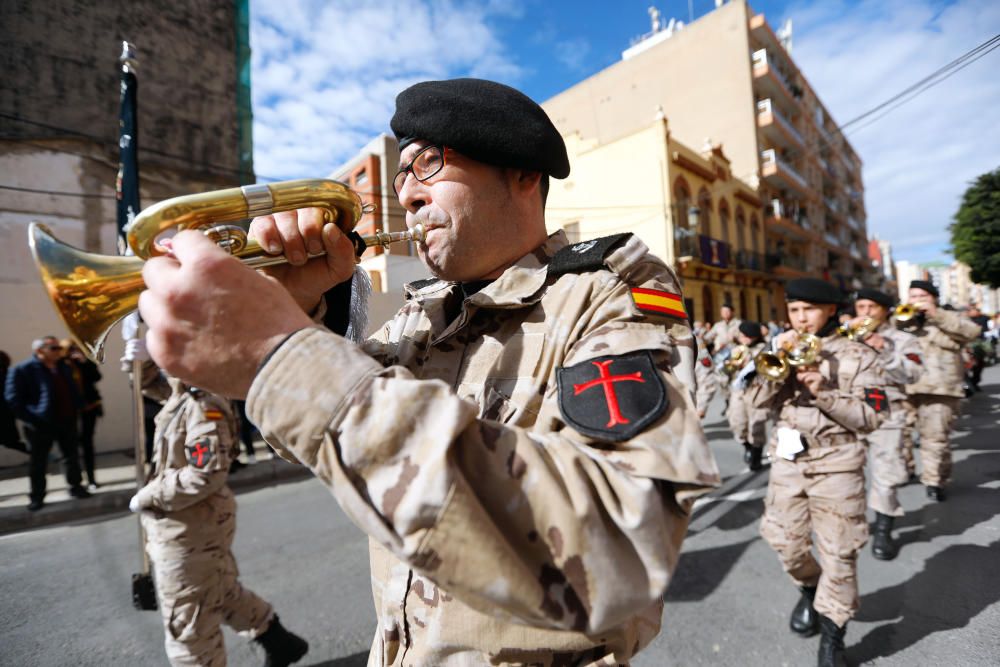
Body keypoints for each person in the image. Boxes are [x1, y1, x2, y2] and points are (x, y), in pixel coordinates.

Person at [137, 77, 720, 665]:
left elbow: (622, 546)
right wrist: (306, 316)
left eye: (429, 164)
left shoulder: (610, 289)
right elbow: (304, 439)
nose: (408, 195)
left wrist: (284, 349)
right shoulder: (422, 314)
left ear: (521, 173)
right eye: (400, 175)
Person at [123, 335, 309, 667]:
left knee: (188, 623)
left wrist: (150, 493)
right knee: (218, 592)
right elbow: (147, 384)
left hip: (190, 524)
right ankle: (279, 640)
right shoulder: (183, 394)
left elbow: (205, 474)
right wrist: (137, 359)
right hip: (185, 521)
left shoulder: (203, 405)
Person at [747, 279, 884, 667]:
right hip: (789, 462)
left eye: (809, 309)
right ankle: (809, 588)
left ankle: (832, 635)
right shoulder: (780, 349)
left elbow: (873, 417)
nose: (800, 318)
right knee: (786, 545)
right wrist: (773, 368)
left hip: (837, 462)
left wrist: (823, 390)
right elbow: (754, 404)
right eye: (794, 310)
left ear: (829, 310)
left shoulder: (859, 356)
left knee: (839, 553)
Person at [850, 289, 923, 560]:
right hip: (850, 412)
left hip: (887, 412)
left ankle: (883, 529)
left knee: (885, 474)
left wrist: (884, 349)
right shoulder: (844, 335)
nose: (865, 312)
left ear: (884, 310)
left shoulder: (903, 340)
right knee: (847, 472)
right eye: (861, 306)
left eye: (871, 306)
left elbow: (913, 374)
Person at [899, 280, 981, 501]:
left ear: (933, 298)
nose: (916, 301)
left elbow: (972, 331)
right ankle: (905, 470)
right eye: (912, 296)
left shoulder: (948, 316)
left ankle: (935, 481)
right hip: (906, 386)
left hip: (941, 387)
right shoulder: (902, 318)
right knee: (900, 434)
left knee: (935, 438)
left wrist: (935, 314)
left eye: (921, 296)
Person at [5, 336, 90, 511]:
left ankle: (76, 487)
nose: (58, 351)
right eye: (53, 348)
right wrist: (32, 418)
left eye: (58, 347)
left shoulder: (62, 367)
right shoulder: (23, 370)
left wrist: (79, 406)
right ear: (39, 350)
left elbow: (73, 388)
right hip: (40, 424)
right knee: (38, 462)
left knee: (71, 456)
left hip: (66, 420)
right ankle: (37, 495)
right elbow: (13, 399)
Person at [723, 320, 768, 470]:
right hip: (738, 391)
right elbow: (726, 369)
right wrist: (730, 365)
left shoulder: (763, 348)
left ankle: (756, 457)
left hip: (757, 391)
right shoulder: (737, 349)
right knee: (737, 423)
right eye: (741, 335)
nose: (742, 338)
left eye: (745, 336)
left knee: (757, 425)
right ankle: (747, 446)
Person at [62, 340, 103, 490]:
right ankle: (75, 482)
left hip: (89, 408)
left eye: (78, 348)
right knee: (71, 447)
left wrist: (85, 362)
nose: (75, 351)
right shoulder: (62, 364)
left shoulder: (84, 363)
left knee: (87, 444)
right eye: (71, 348)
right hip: (69, 411)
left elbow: (96, 377)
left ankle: (91, 479)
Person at [1, 351, 29, 455]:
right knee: (10, 441)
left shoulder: (8, 375)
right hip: (7, 412)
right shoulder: (9, 374)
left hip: (5, 413)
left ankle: (37, 453)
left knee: (10, 441)